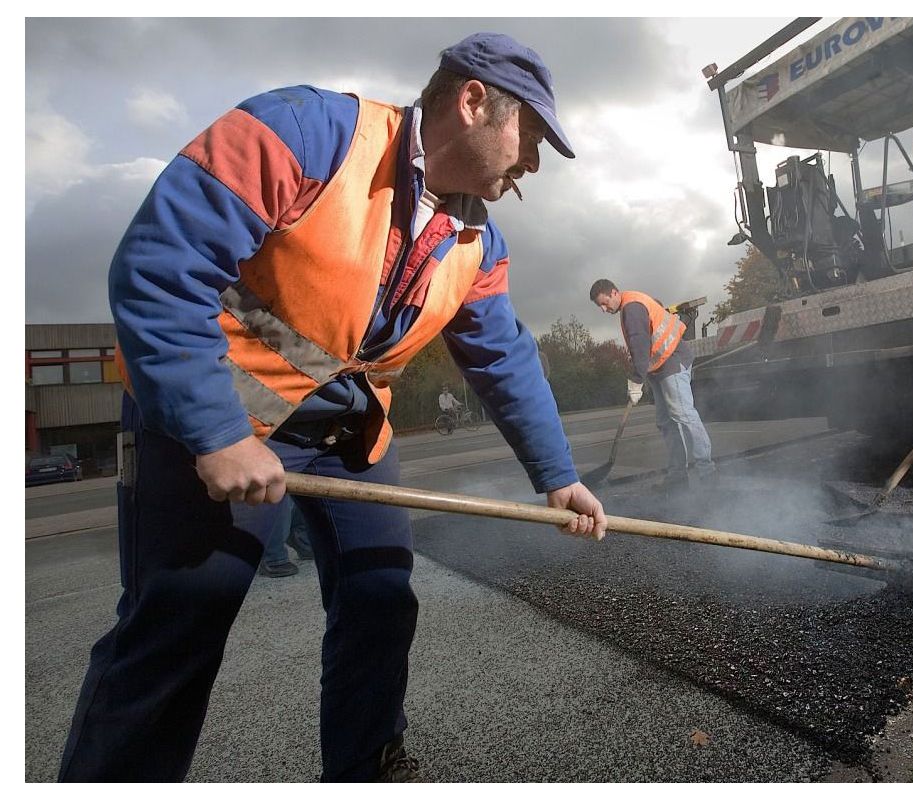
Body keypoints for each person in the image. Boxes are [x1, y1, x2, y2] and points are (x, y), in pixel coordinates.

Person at [59, 32, 607, 783]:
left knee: (381, 596)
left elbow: (502, 356)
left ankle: (365, 767)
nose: (533, 166)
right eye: (533, 137)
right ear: (474, 101)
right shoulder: (304, 133)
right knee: (177, 626)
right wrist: (215, 433)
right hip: (218, 419)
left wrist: (558, 473)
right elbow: (159, 267)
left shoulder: (479, 239)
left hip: (350, 433)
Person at [589, 279, 716, 487]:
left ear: (614, 292)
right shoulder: (630, 304)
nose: (604, 309)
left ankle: (707, 472)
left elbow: (640, 346)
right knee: (665, 421)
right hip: (658, 367)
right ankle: (677, 476)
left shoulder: (632, 308)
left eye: (604, 303)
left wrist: (637, 380)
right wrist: (641, 376)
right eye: (599, 306)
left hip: (673, 360)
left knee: (683, 414)